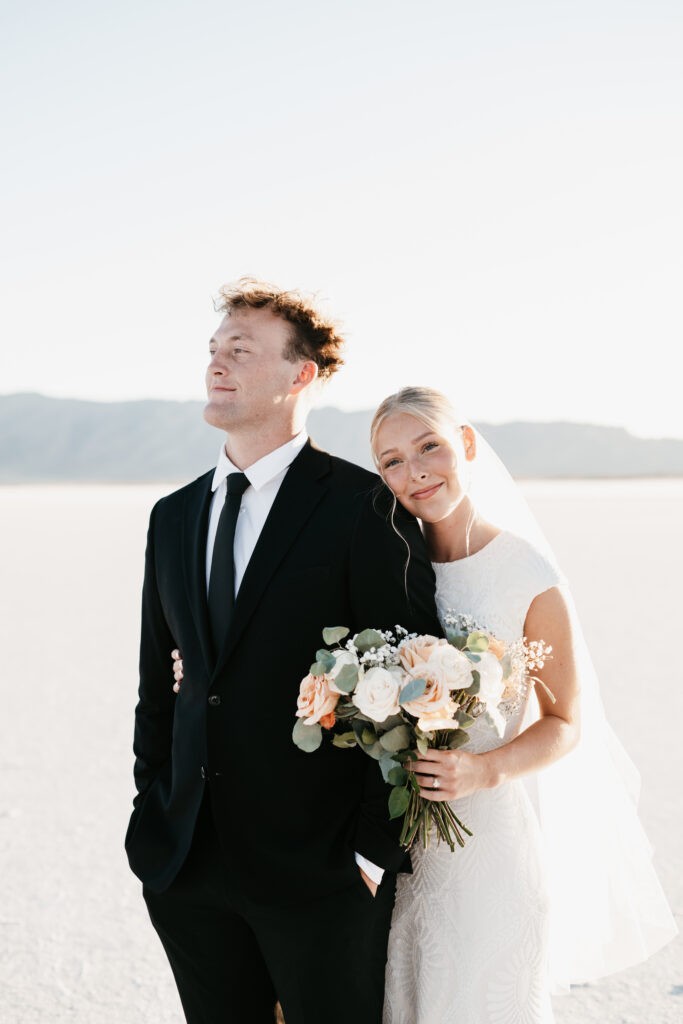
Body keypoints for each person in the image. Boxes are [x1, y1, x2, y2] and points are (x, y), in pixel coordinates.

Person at [125, 281, 443, 1024]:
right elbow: (156, 682)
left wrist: (369, 855)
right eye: (213, 350)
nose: (217, 364)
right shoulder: (172, 517)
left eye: (240, 350)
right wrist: (152, 814)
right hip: (187, 867)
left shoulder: (364, 506)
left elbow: (415, 678)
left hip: (321, 874)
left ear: (301, 374)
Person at [368, 387, 678, 1024]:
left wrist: (484, 769)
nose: (414, 471)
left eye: (430, 446)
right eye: (391, 460)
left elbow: (566, 722)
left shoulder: (525, 572)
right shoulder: (387, 567)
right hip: (403, 852)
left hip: (492, 852)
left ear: (469, 445)